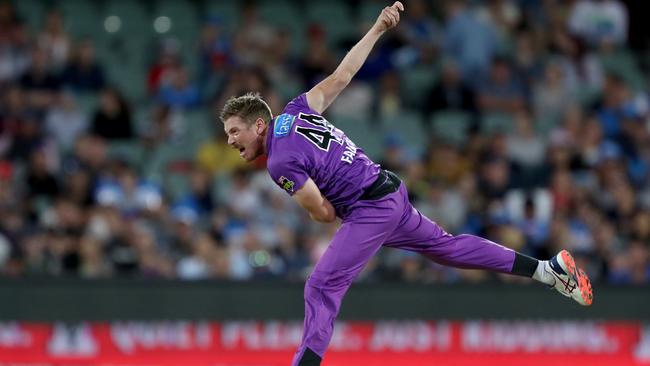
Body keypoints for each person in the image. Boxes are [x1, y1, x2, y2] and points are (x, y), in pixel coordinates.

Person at [219, 2, 593, 365]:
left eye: (235, 131)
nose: (231, 140)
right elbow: (342, 76)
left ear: (258, 125)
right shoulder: (296, 109)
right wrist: (377, 29)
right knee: (447, 249)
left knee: (320, 287)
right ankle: (546, 270)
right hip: (388, 189)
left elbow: (321, 211)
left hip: (369, 207)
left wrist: (329, 211)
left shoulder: (280, 161)